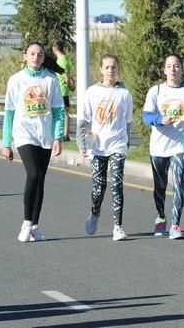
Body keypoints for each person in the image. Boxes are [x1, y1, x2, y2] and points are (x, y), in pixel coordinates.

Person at [2, 41, 65, 242]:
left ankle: (35, 226)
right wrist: (6, 143)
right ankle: (26, 222)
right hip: (24, 133)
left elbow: (58, 112)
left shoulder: (51, 80)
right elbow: (9, 113)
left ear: (43, 57)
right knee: (33, 174)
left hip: (44, 135)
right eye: (32, 54)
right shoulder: (16, 80)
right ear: (25, 56)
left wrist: (57, 137)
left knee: (40, 180)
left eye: (39, 54)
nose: (35, 57)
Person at [77, 54, 133, 241]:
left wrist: (126, 142)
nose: (111, 70)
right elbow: (84, 120)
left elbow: (128, 122)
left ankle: (117, 226)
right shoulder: (92, 92)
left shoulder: (124, 94)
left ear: (118, 69)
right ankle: (94, 213)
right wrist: (81, 142)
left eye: (114, 67)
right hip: (98, 145)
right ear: (101, 69)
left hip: (117, 144)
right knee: (98, 187)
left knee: (117, 184)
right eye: (107, 67)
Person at [142, 54, 184, 239]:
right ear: (164, 70)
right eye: (169, 66)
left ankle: (176, 225)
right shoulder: (155, 91)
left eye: (176, 66)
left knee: (178, 181)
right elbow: (146, 116)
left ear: (181, 69)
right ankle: (161, 217)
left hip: (180, 145)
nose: (173, 69)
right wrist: (160, 120)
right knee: (160, 185)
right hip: (158, 147)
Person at [52, 40, 73, 142]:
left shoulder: (63, 60)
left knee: (65, 112)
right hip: (59, 89)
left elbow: (66, 77)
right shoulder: (60, 60)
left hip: (63, 90)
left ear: (55, 49)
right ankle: (60, 133)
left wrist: (70, 86)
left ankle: (65, 135)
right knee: (60, 112)